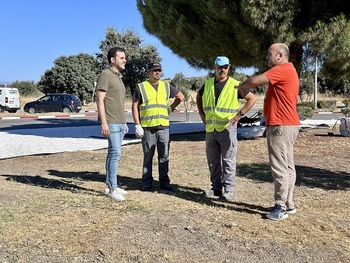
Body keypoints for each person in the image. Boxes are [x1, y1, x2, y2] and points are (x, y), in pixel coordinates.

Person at [236, 43, 300, 221]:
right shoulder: (289, 70)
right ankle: (289, 204)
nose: (267, 56)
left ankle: (280, 206)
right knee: (287, 166)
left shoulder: (282, 69)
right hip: (286, 124)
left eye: (269, 53)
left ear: (280, 55)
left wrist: (241, 86)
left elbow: (255, 81)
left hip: (282, 125)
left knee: (279, 167)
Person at [196, 56, 256, 201]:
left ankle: (228, 190)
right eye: (219, 66)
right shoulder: (208, 83)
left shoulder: (235, 84)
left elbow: (252, 99)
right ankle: (216, 188)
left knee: (228, 159)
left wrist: (239, 115)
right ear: (214, 67)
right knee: (213, 160)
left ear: (229, 68)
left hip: (227, 128)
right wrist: (202, 115)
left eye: (225, 67)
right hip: (211, 129)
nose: (222, 69)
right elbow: (199, 97)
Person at [132, 62, 184, 191]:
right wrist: (137, 125)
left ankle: (164, 182)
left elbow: (180, 96)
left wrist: (170, 108)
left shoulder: (166, 86)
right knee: (148, 156)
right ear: (148, 72)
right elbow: (134, 106)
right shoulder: (141, 87)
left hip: (163, 127)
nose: (157, 72)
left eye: (159, 70)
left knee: (164, 156)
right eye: (155, 70)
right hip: (148, 128)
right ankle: (146, 182)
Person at [96, 47, 129, 202]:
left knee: (114, 154)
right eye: (121, 58)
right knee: (114, 154)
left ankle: (110, 184)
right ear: (112, 59)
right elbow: (100, 100)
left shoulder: (118, 76)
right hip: (111, 122)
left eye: (124, 58)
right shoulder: (106, 75)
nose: (124, 60)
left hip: (120, 122)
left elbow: (118, 102)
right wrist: (104, 122)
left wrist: (125, 122)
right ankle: (112, 189)